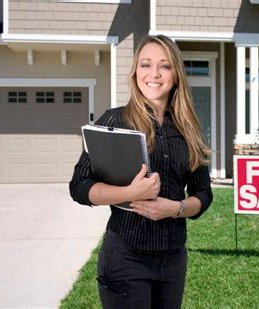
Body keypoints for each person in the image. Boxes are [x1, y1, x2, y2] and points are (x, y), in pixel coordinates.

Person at [69, 34, 213, 308]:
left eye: (165, 65)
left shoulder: (189, 128)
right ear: (135, 72)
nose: (154, 74)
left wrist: (175, 208)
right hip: (125, 258)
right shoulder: (115, 120)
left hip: (173, 262)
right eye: (146, 64)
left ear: (176, 74)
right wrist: (129, 193)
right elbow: (79, 186)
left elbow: (203, 194)